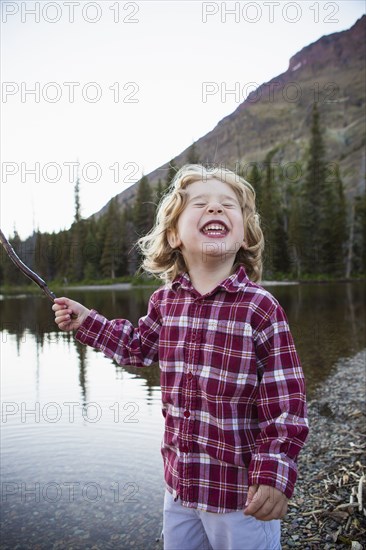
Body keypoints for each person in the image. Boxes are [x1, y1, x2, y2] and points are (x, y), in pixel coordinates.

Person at [53, 164, 309, 550]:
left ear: (243, 235)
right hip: (181, 486)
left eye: (228, 206)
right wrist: (88, 321)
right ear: (174, 235)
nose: (216, 210)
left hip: (239, 497)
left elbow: (285, 403)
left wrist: (275, 471)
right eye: (201, 205)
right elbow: (137, 346)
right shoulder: (166, 301)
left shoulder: (259, 308)